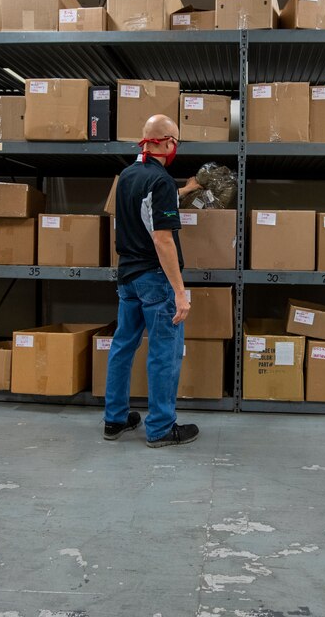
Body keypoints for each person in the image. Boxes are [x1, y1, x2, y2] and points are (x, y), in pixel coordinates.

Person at [103, 113, 200, 448]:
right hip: (155, 280)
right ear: (169, 142)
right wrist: (180, 292)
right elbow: (162, 238)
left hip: (127, 277)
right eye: (176, 142)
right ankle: (160, 428)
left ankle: (115, 420)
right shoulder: (159, 182)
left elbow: (152, 202)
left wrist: (185, 189)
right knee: (163, 352)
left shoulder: (128, 176)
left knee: (123, 346)